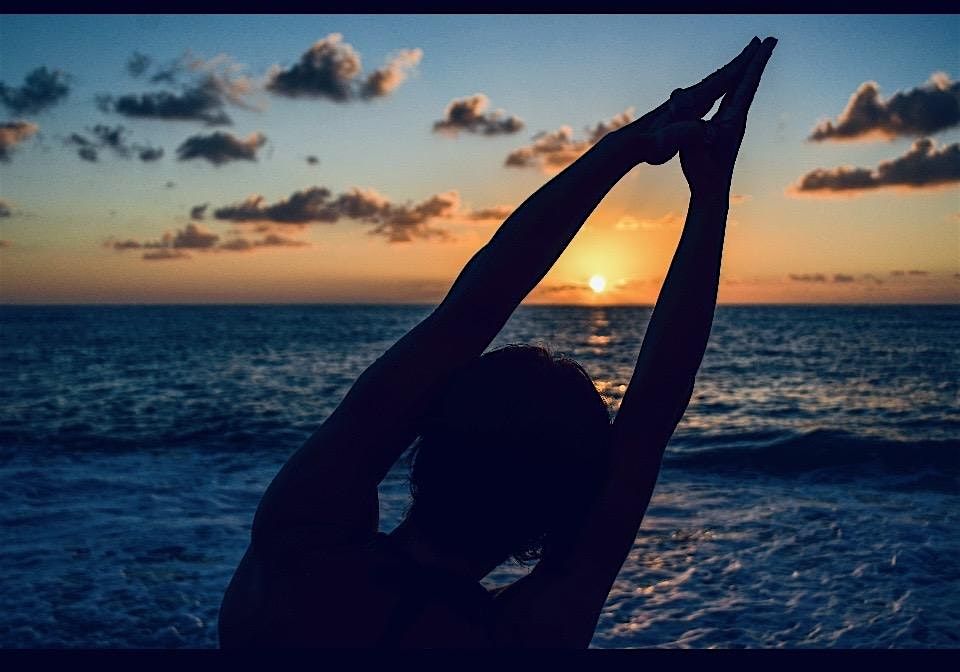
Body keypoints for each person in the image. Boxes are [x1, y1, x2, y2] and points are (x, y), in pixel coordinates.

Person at [219, 36, 777, 648]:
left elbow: (465, 318)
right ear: (557, 517)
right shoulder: (520, 639)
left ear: (423, 443)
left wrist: (627, 146)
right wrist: (711, 195)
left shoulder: (295, 550)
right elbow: (649, 419)